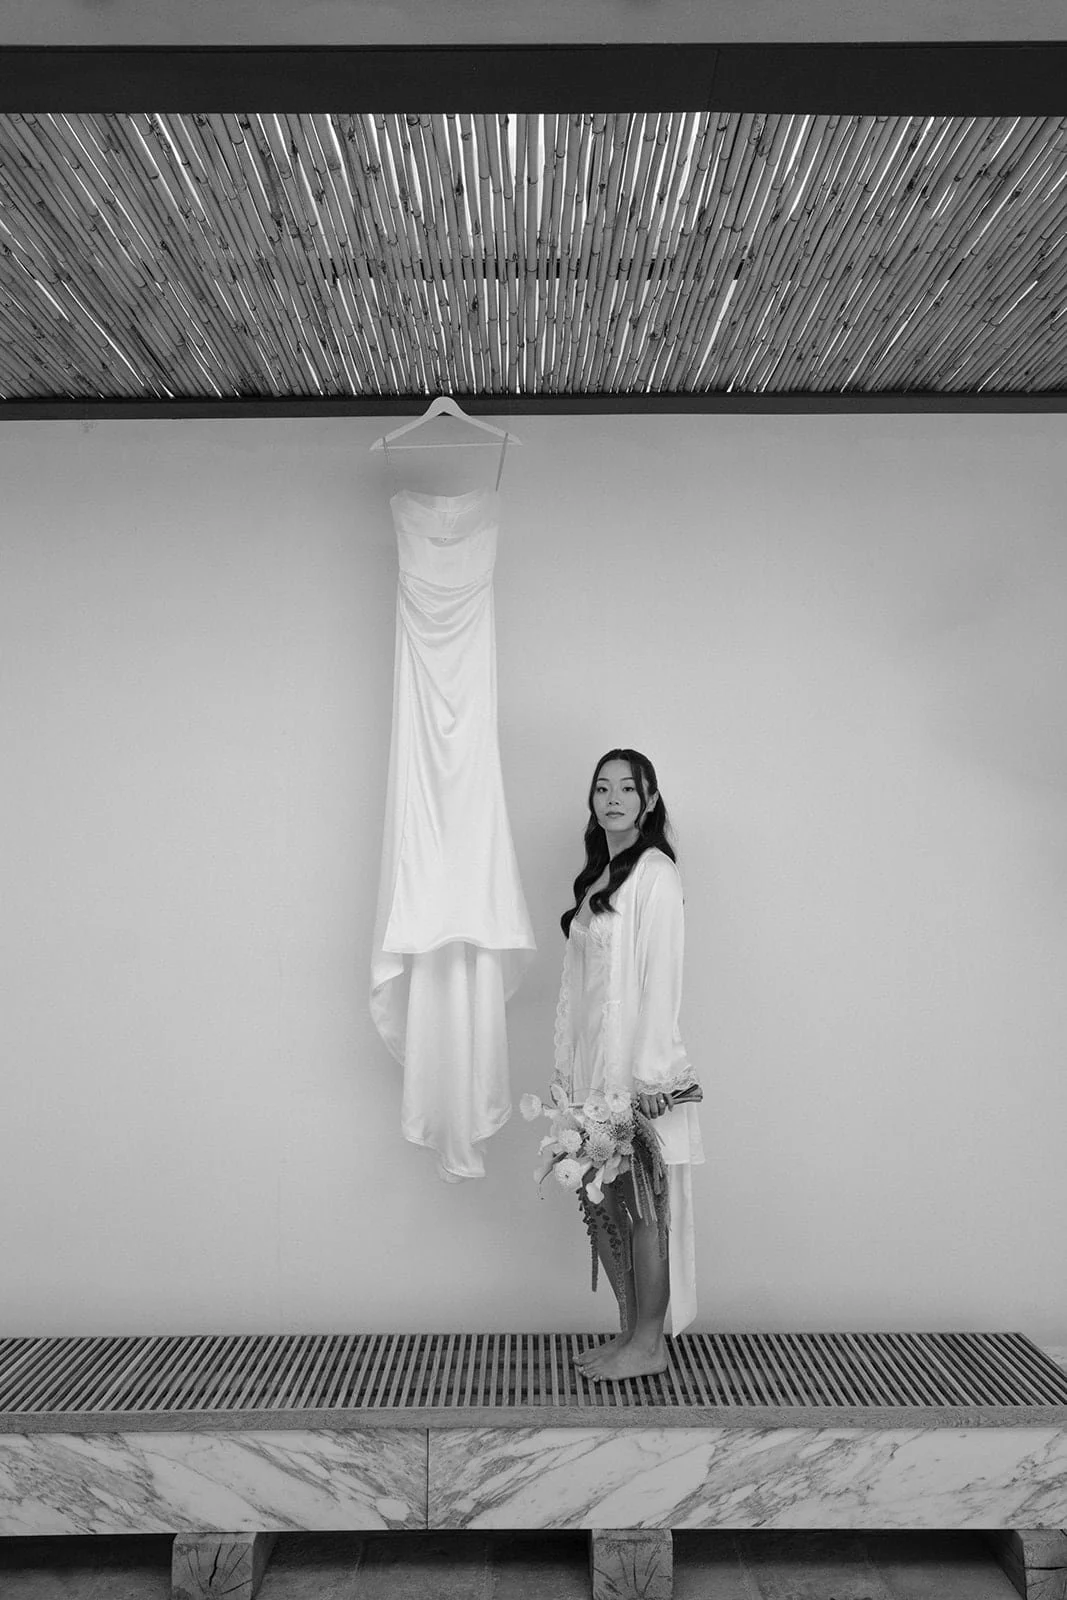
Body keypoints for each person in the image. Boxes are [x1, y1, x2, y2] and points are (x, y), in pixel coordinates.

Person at [554, 749, 704, 1381]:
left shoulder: (655, 874)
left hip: (638, 1076)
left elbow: (661, 979)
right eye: (601, 788)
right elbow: (580, 991)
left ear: (648, 800)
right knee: (608, 1202)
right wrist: (570, 1075)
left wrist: (651, 1078)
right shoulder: (599, 878)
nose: (612, 798)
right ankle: (628, 1336)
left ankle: (649, 1342)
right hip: (595, 1071)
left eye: (626, 788)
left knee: (646, 1206)